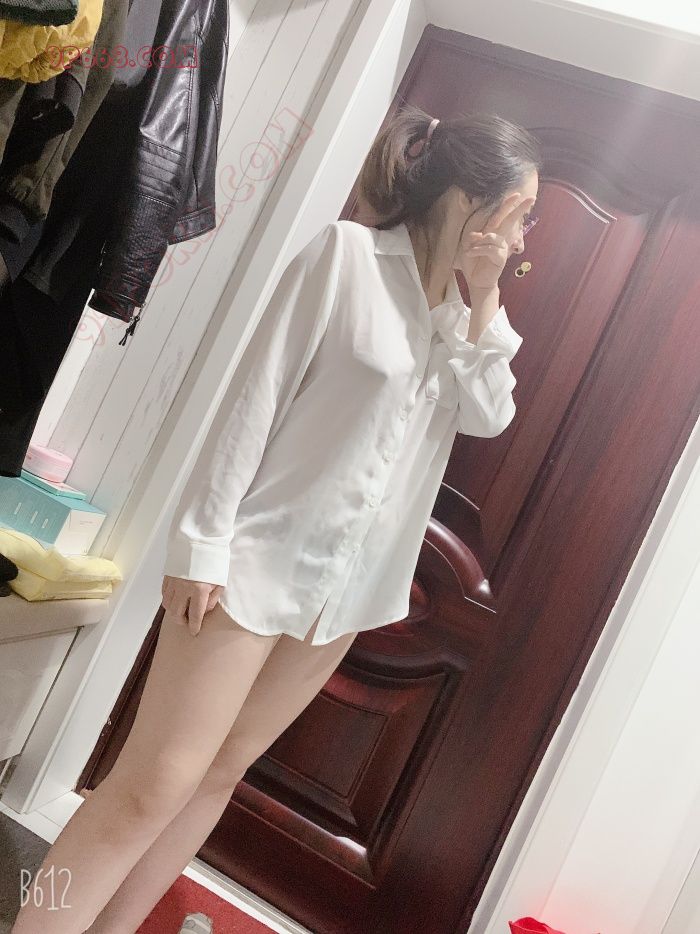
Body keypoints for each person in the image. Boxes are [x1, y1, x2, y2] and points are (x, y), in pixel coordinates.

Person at [12, 105, 541, 933]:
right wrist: (200, 545)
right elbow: (252, 402)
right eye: (521, 213)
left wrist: (483, 301)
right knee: (152, 782)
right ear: (472, 200)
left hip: (348, 590)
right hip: (251, 564)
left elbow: (489, 415)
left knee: (218, 776)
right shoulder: (347, 257)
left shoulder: (465, 321)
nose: (523, 237)